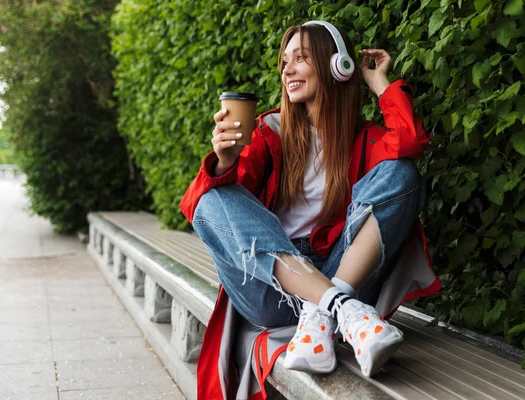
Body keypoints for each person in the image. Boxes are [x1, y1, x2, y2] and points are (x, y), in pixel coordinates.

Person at [180, 21, 440, 399]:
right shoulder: (269, 131)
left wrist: (380, 84)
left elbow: (409, 144)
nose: (287, 69)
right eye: (285, 61)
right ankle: (341, 310)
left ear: (339, 67)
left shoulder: (365, 140)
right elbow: (213, 206)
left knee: (403, 173)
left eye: (300, 59)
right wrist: (224, 161)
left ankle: (325, 309)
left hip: (343, 271)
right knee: (209, 199)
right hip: (273, 289)